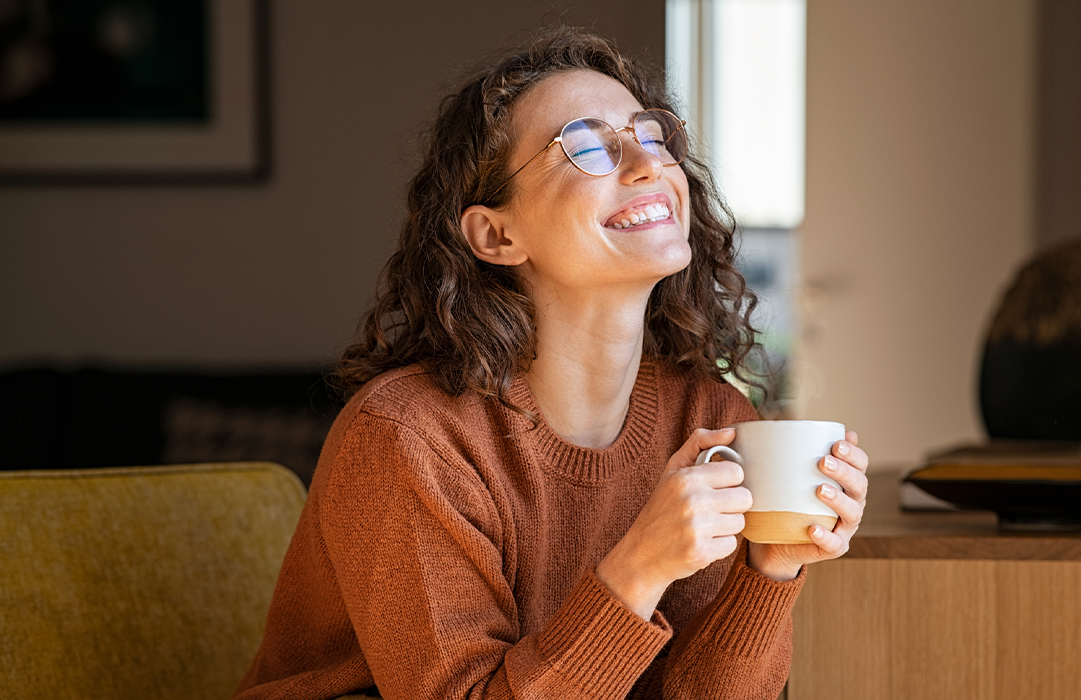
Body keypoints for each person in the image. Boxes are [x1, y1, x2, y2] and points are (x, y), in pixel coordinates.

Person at [234, 27, 869, 700]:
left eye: (651, 135)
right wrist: (638, 568)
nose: (648, 164)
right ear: (496, 234)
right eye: (589, 146)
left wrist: (769, 571)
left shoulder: (710, 420)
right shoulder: (408, 438)